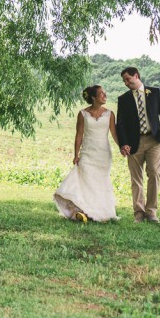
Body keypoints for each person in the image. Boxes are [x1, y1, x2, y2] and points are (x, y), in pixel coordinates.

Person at [54, 85, 119, 223]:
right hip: (87, 153)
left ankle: (101, 212)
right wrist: (76, 154)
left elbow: (114, 134)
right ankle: (85, 211)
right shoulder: (82, 114)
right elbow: (79, 135)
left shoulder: (110, 114)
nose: (105, 95)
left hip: (103, 154)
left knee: (100, 182)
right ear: (94, 97)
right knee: (86, 182)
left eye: (105, 93)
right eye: (102, 93)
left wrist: (122, 147)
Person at [116, 66, 160, 224]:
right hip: (133, 143)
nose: (126, 83)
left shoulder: (155, 93)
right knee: (136, 178)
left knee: (154, 173)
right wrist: (123, 144)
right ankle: (139, 214)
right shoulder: (123, 99)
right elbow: (121, 124)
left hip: (154, 141)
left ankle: (152, 212)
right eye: (124, 81)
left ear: (136, 75)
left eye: (128, 79)